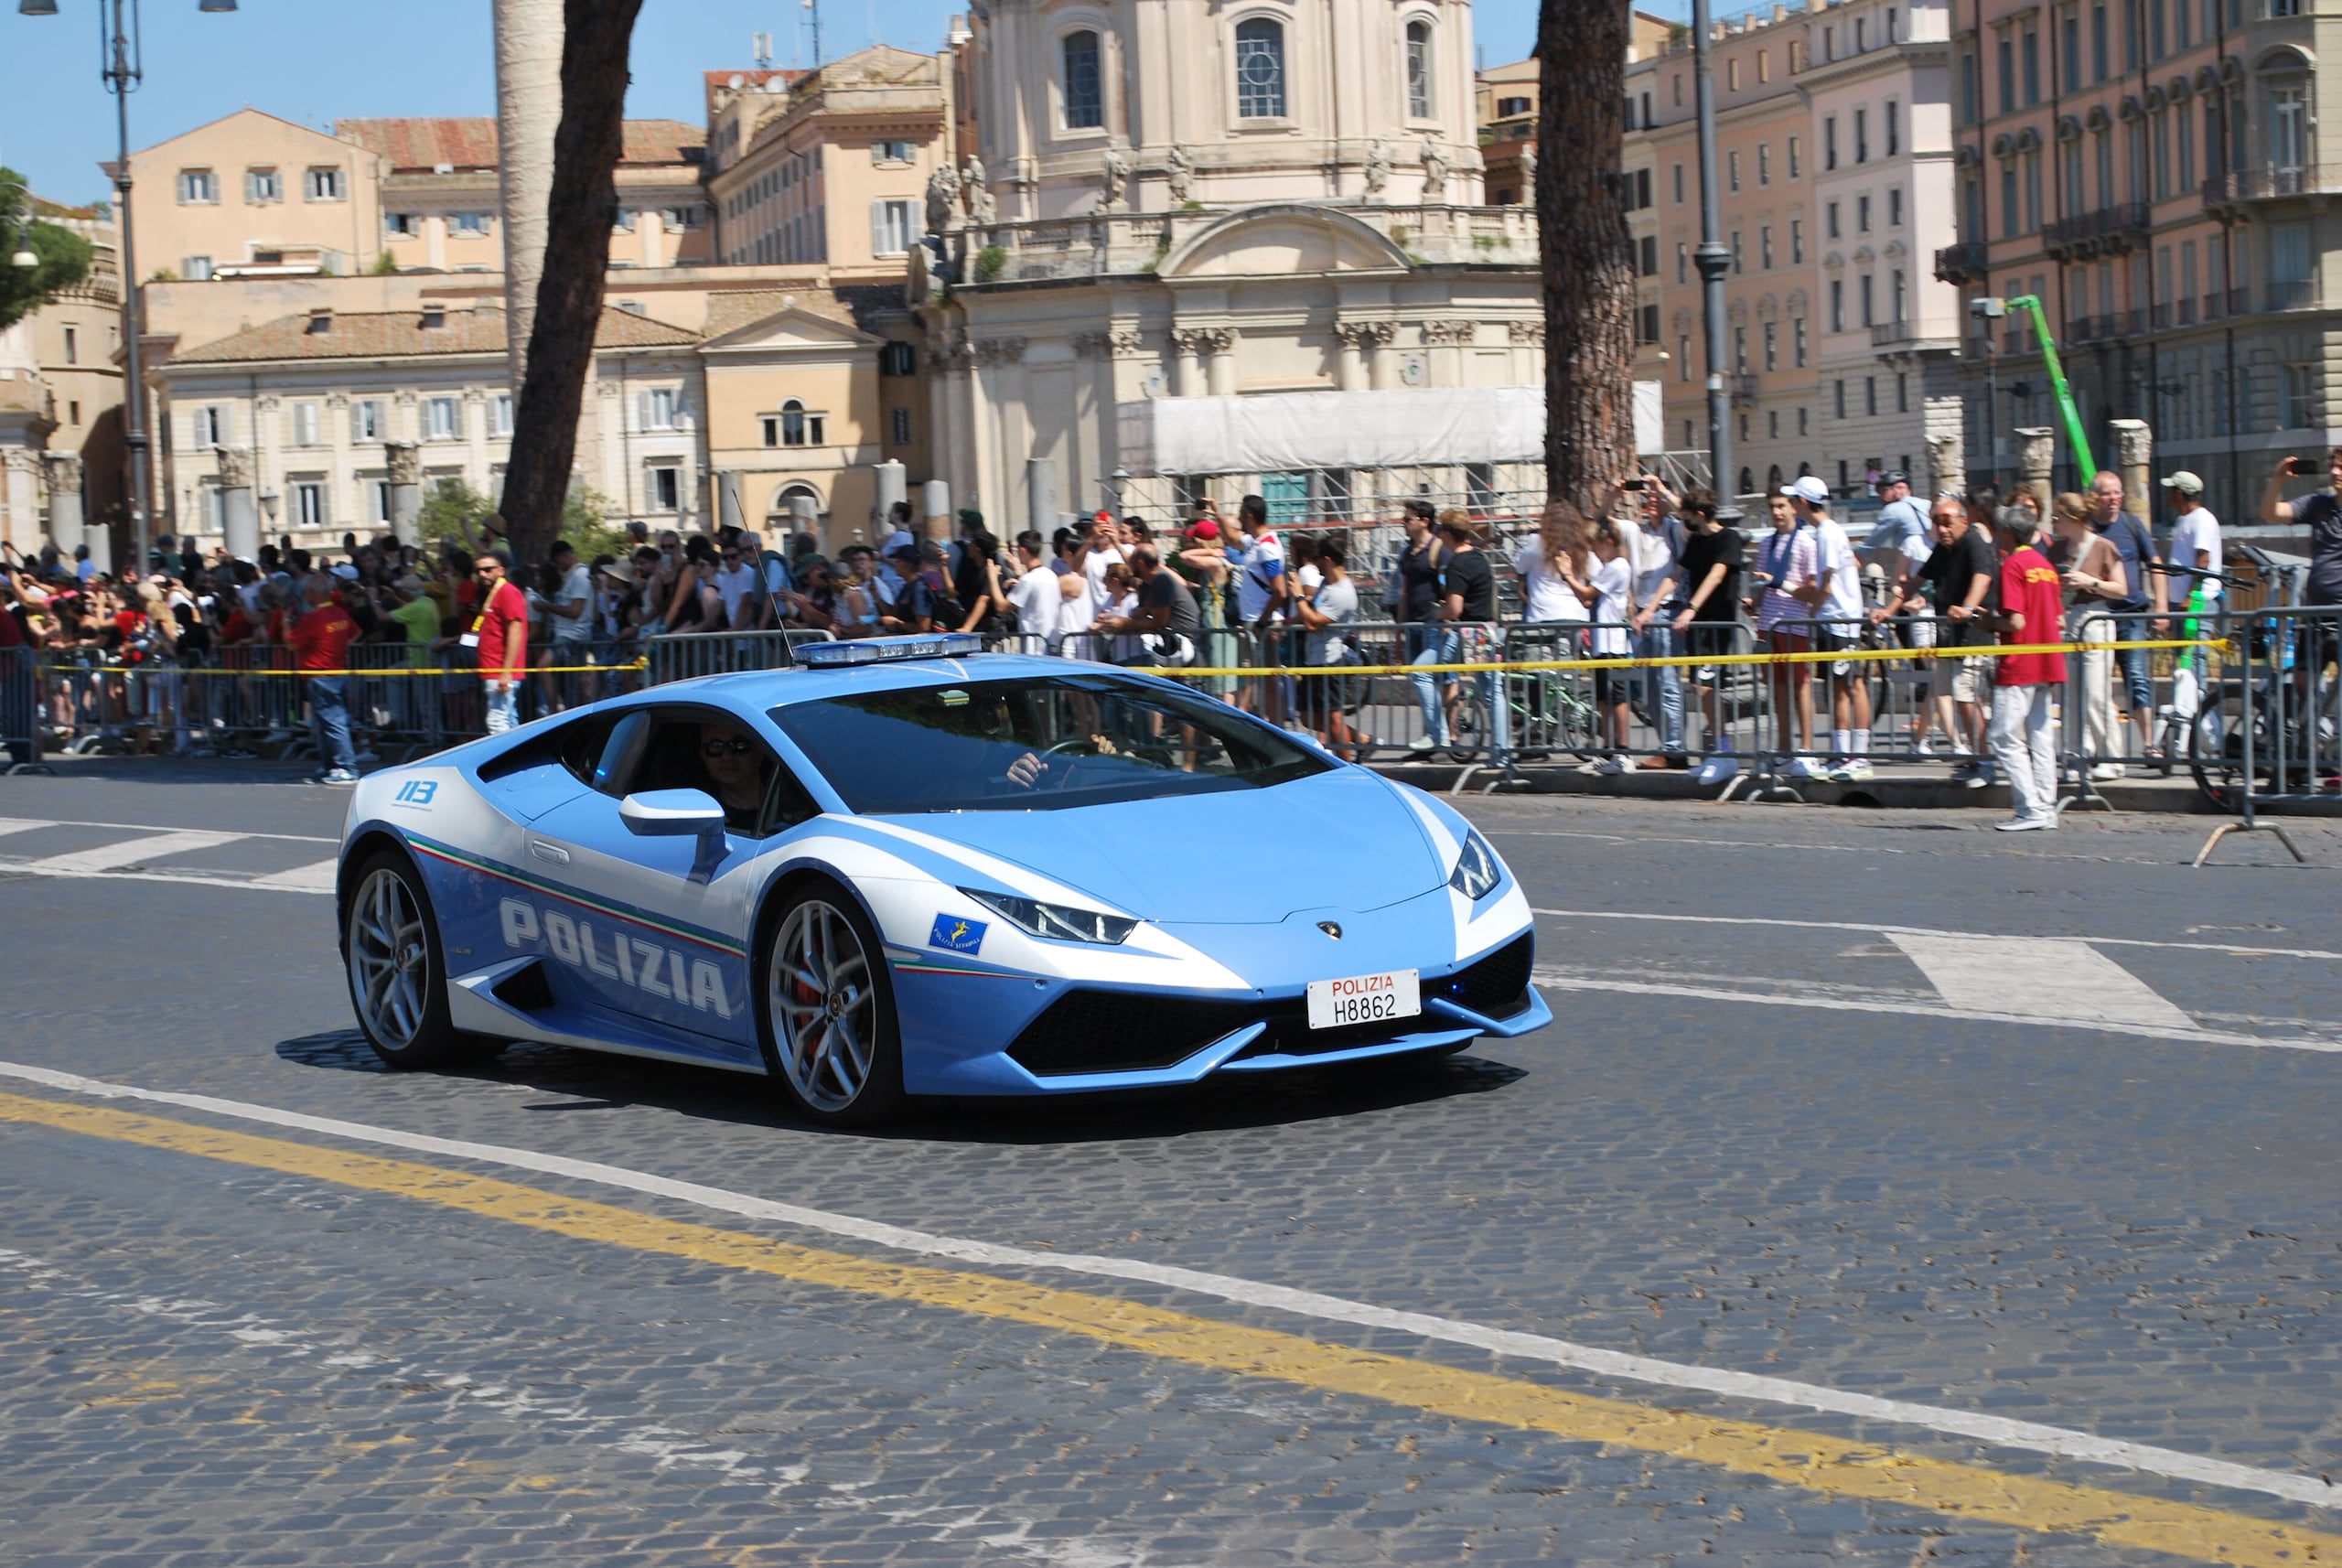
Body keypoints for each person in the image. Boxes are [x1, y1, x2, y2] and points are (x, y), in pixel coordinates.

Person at [1878, 496, 1998, 786]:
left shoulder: (1972, 542)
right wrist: (1888, 611)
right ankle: (1975, 757)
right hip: (1950, 636)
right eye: (1936, 523)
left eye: (1947, 523)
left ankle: (1985, 763)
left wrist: (1968, 608)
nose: (1942, 529)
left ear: (1963, 521)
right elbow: (1916, 582)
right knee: (1958, 699)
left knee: (1969, 700)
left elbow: (1983, 577)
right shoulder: (1944, 549)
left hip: (1972, 635)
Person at [1983, 510, 2067, 831]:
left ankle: (2029, 807)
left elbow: (2015, 621)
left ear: (2007, 533)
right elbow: (2058, 617)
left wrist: (1989, 622)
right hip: (2048, 659)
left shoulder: (2012, 565)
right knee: (2041, 736)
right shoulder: (2046, 567)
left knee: (2003, 735)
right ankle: (2045, 807)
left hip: (2020, 661)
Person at [1410, 510, 1508, 764]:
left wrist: (1437, 610)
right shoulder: (1479, 557)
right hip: (1486, 629)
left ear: (1446, 534)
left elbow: (1455, 609)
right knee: (1492, 692)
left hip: (1466, 632)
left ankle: (1438, 733)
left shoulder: (1457, 564)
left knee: (1421, 672)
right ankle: (1501, 752)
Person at [1795, 479, 1875, 781]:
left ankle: (1860, 754)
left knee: (1851, 685)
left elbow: (1826, 584)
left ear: (1803, 502)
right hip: (1837, 618)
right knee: (1838, 686)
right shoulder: (1828, 531)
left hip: (1840, 618)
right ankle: (1842, 752)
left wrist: (1811, 608)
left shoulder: (1827, 533)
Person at [2087, 469, 2165, 757]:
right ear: (2094, 496)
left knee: (2137, 676)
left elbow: (2155, 563)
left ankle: (2149, 744)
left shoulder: (2132, 524)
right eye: (2107, 493)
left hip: (2133, 615)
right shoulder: (2086, 530)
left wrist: (2162, 607)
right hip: (2096, 618)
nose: (2113, 499)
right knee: (2096, 685)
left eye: (2117, 492)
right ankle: (2102, 748)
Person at [2050, 491, 2128, 781]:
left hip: (2096, 617)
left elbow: (2121, 589)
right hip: (2067, 618)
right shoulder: (2056, 550)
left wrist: (2090, 582)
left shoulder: (2104, 547)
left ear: (2073, 518)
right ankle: (2075, 755)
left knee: (2096, 693)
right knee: (2070, 693)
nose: (2054, 523)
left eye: (2058, 517)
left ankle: (2112, 757)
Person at [1671, 489, 1745, 784]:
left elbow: (1716, 575)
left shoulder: (1729, 539)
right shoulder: (1697, 541)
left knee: (1708, 688)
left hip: (1717, 621)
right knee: (1699, 686)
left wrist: (1691, 608)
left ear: (1700, 515)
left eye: (1687, 516)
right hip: (1699, 624)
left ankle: (1725, 754)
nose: (1684, 521)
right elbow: (1676, 573)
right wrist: (1648, 609)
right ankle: (1718, 751)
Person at [1747, 488, 1820, 777]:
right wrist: (1753, 604)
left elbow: (1811, 591)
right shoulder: (1766, 544)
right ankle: (1784, 746)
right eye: (1772, 507)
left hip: (1794, 623)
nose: (1776, 512)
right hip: (1769, 623)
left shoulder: (1805, 543)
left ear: (1793, 508)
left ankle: (1807, 748)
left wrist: (1778, 583)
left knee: (1800, 684)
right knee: (1777, 688)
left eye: (1781, 506)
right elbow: (1764, 586)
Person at [1619, 478, 1686, 768]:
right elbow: (1597, 522)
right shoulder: (1636, 531)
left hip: (1667, 611)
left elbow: (1690, 515)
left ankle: (1675, 748)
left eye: (1656, 495)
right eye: (1647, 496)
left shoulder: (1676, 529)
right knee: (1651, 686)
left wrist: (1663, 489)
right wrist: (1612, 494)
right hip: (1642, 613)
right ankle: (1668, 746)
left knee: (1669, 682)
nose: (1651, 500)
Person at [1293, 535, 1362, 756]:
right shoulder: (1326, 584)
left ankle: (1347, 764)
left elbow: (1313, 623)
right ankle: (1358, 738)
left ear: (1328, 560)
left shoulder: (1343, 593)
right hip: (1313, 658)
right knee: (1306, 716)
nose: (1315, 564)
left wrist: (1298, 597)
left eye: (1317, 560)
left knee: (1333, 719)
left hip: (1330, 660)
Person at [288, 572, 360, 783]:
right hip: (334, 673)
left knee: (334, 723)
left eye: (306, 592)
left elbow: (292, 643)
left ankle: (347, 767)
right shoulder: (340, 614)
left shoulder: (312, 619)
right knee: (324, 725)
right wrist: (339, 648)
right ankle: (331, 766)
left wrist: (284, 622)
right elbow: (356, 633)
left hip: (320, 675)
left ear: (312, 593)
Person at [1584, 520, 1635, 774]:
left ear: (1609, 543)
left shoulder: (1617, 566)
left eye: (1596, 546)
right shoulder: (1608, 566)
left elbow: (1587, 594)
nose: (1594, 551)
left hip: (1613, 642)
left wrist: (1566, 574)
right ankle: (1608, 748)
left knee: (1617, 696)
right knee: (1604, 697)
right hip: (1602, 642)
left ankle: (1623, 749)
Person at [1097, 544, 1201, 666]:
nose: (1128, 566)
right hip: (1169, 646)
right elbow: (1143, 617)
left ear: (1140, 564)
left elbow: (1158, 622)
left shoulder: (1161, 581)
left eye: (1131, 561)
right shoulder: (1147, 585)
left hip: (1184, 647)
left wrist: (1125, 623)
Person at [471, 547, 530, 735]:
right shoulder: (496, 593)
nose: (482, 574)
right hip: (494, 669)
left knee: (498, 722)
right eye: (478, 570)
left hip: (499, 671)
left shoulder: (507, 592)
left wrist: (506, 672)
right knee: (510, 721)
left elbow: (515, 631)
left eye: (488, 569)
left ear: (501, 570)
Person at [696, 721, 770, 832]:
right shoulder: (706, 822)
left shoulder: (795, 805)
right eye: (716, 746)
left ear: (759, 753)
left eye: (739, 745)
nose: (727, 756)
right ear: (704, 756)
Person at [1005, 531, 1060, 652]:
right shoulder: (1051, 575)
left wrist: (992, 576)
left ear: (1023, 550)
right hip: (1051, 642)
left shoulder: (1028, 580)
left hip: (1033, 647)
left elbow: (1002, 607)